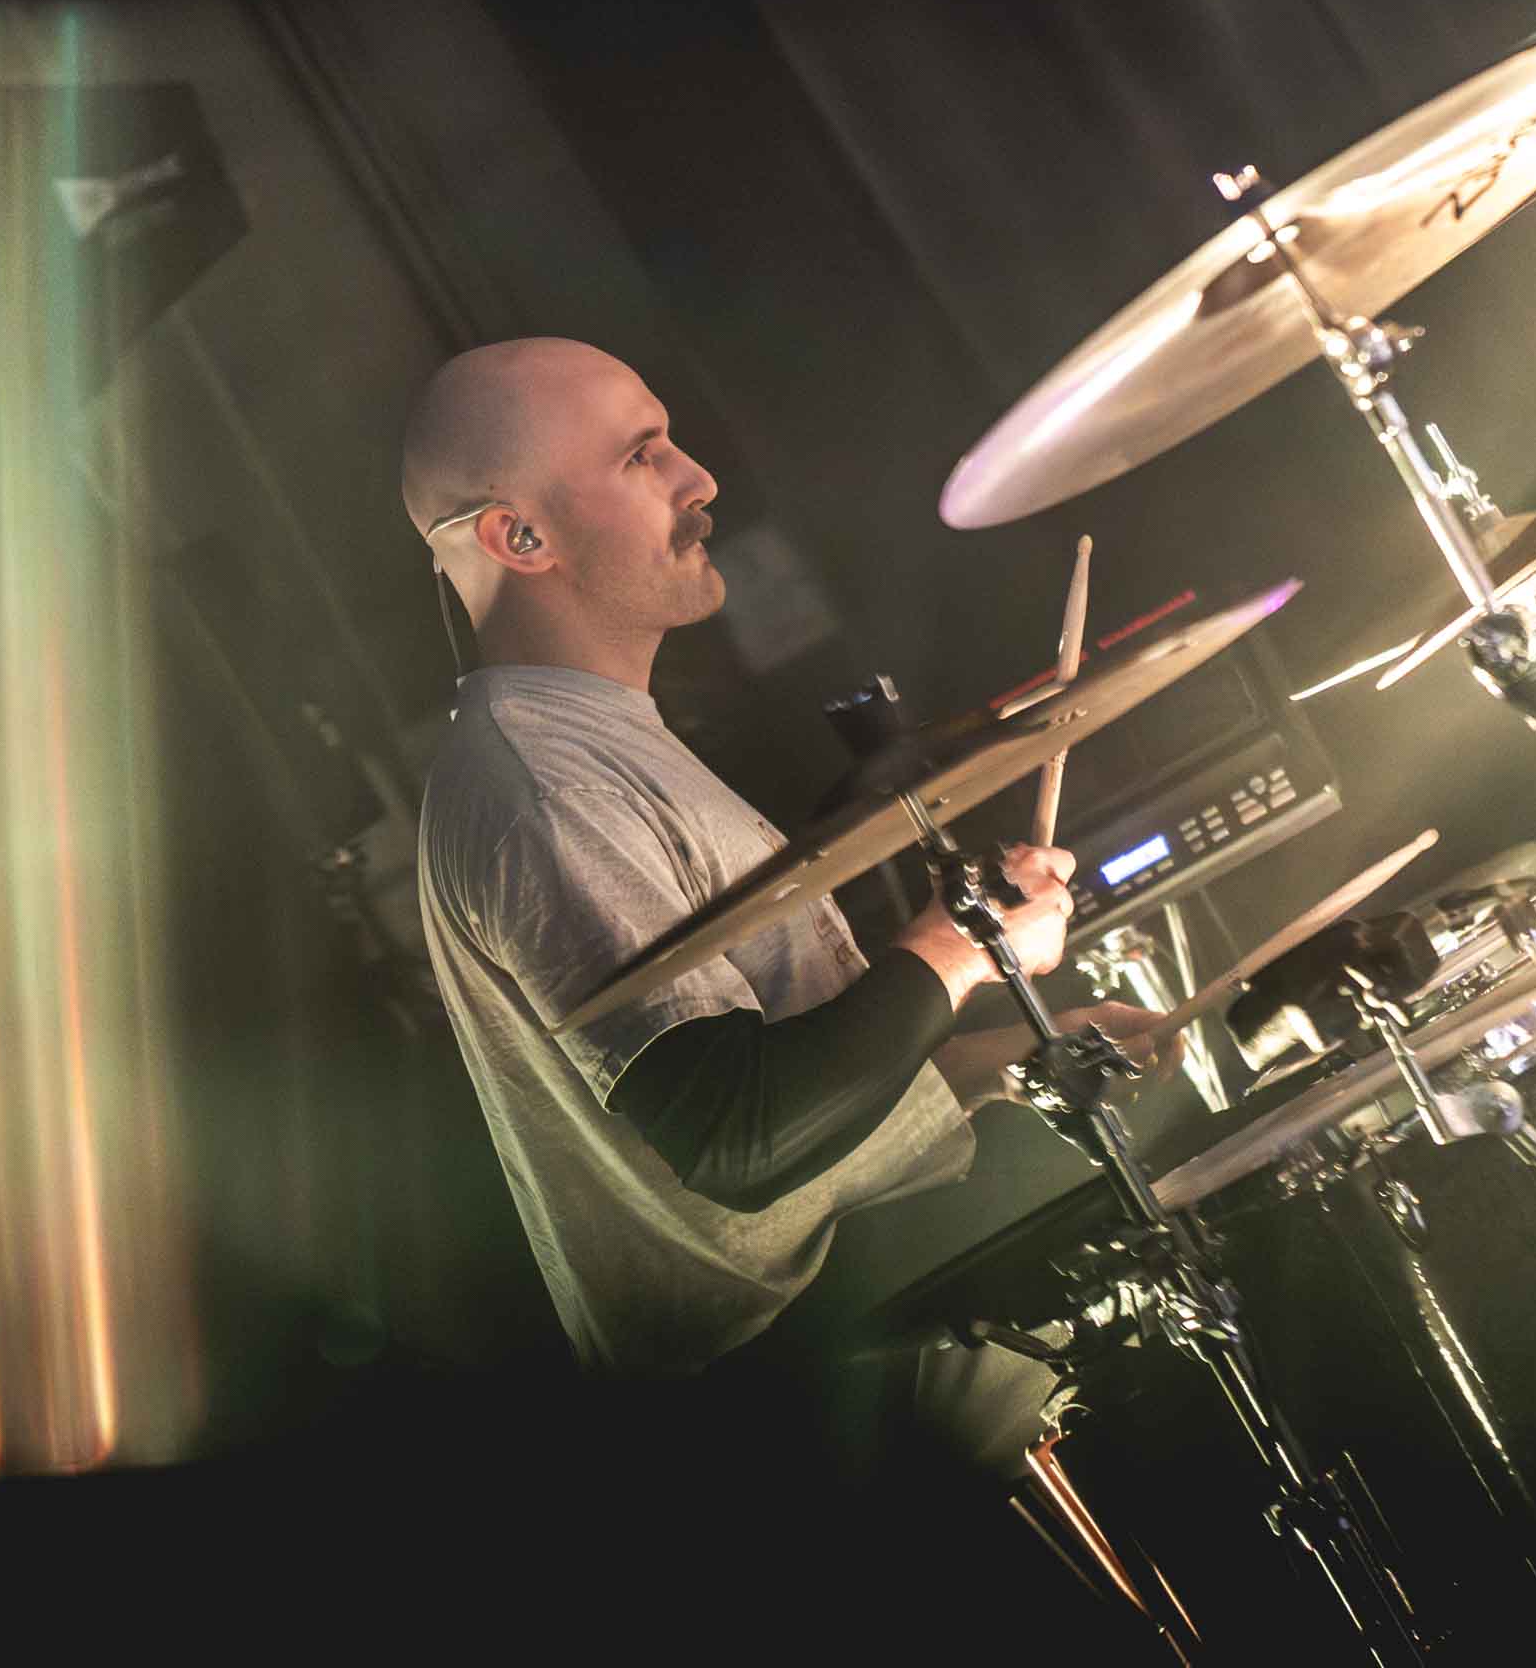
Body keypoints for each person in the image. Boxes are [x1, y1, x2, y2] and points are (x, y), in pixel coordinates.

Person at [402, 336, 1167, 1421]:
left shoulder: (598, 737)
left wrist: (1018, 1058)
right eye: (642, 456)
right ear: (519, 537)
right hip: (801, 1400)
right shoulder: (545, 785)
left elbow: (799, 1088)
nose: (700, 480)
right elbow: (737, 1138)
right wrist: (964, 946)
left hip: (867, 1325)